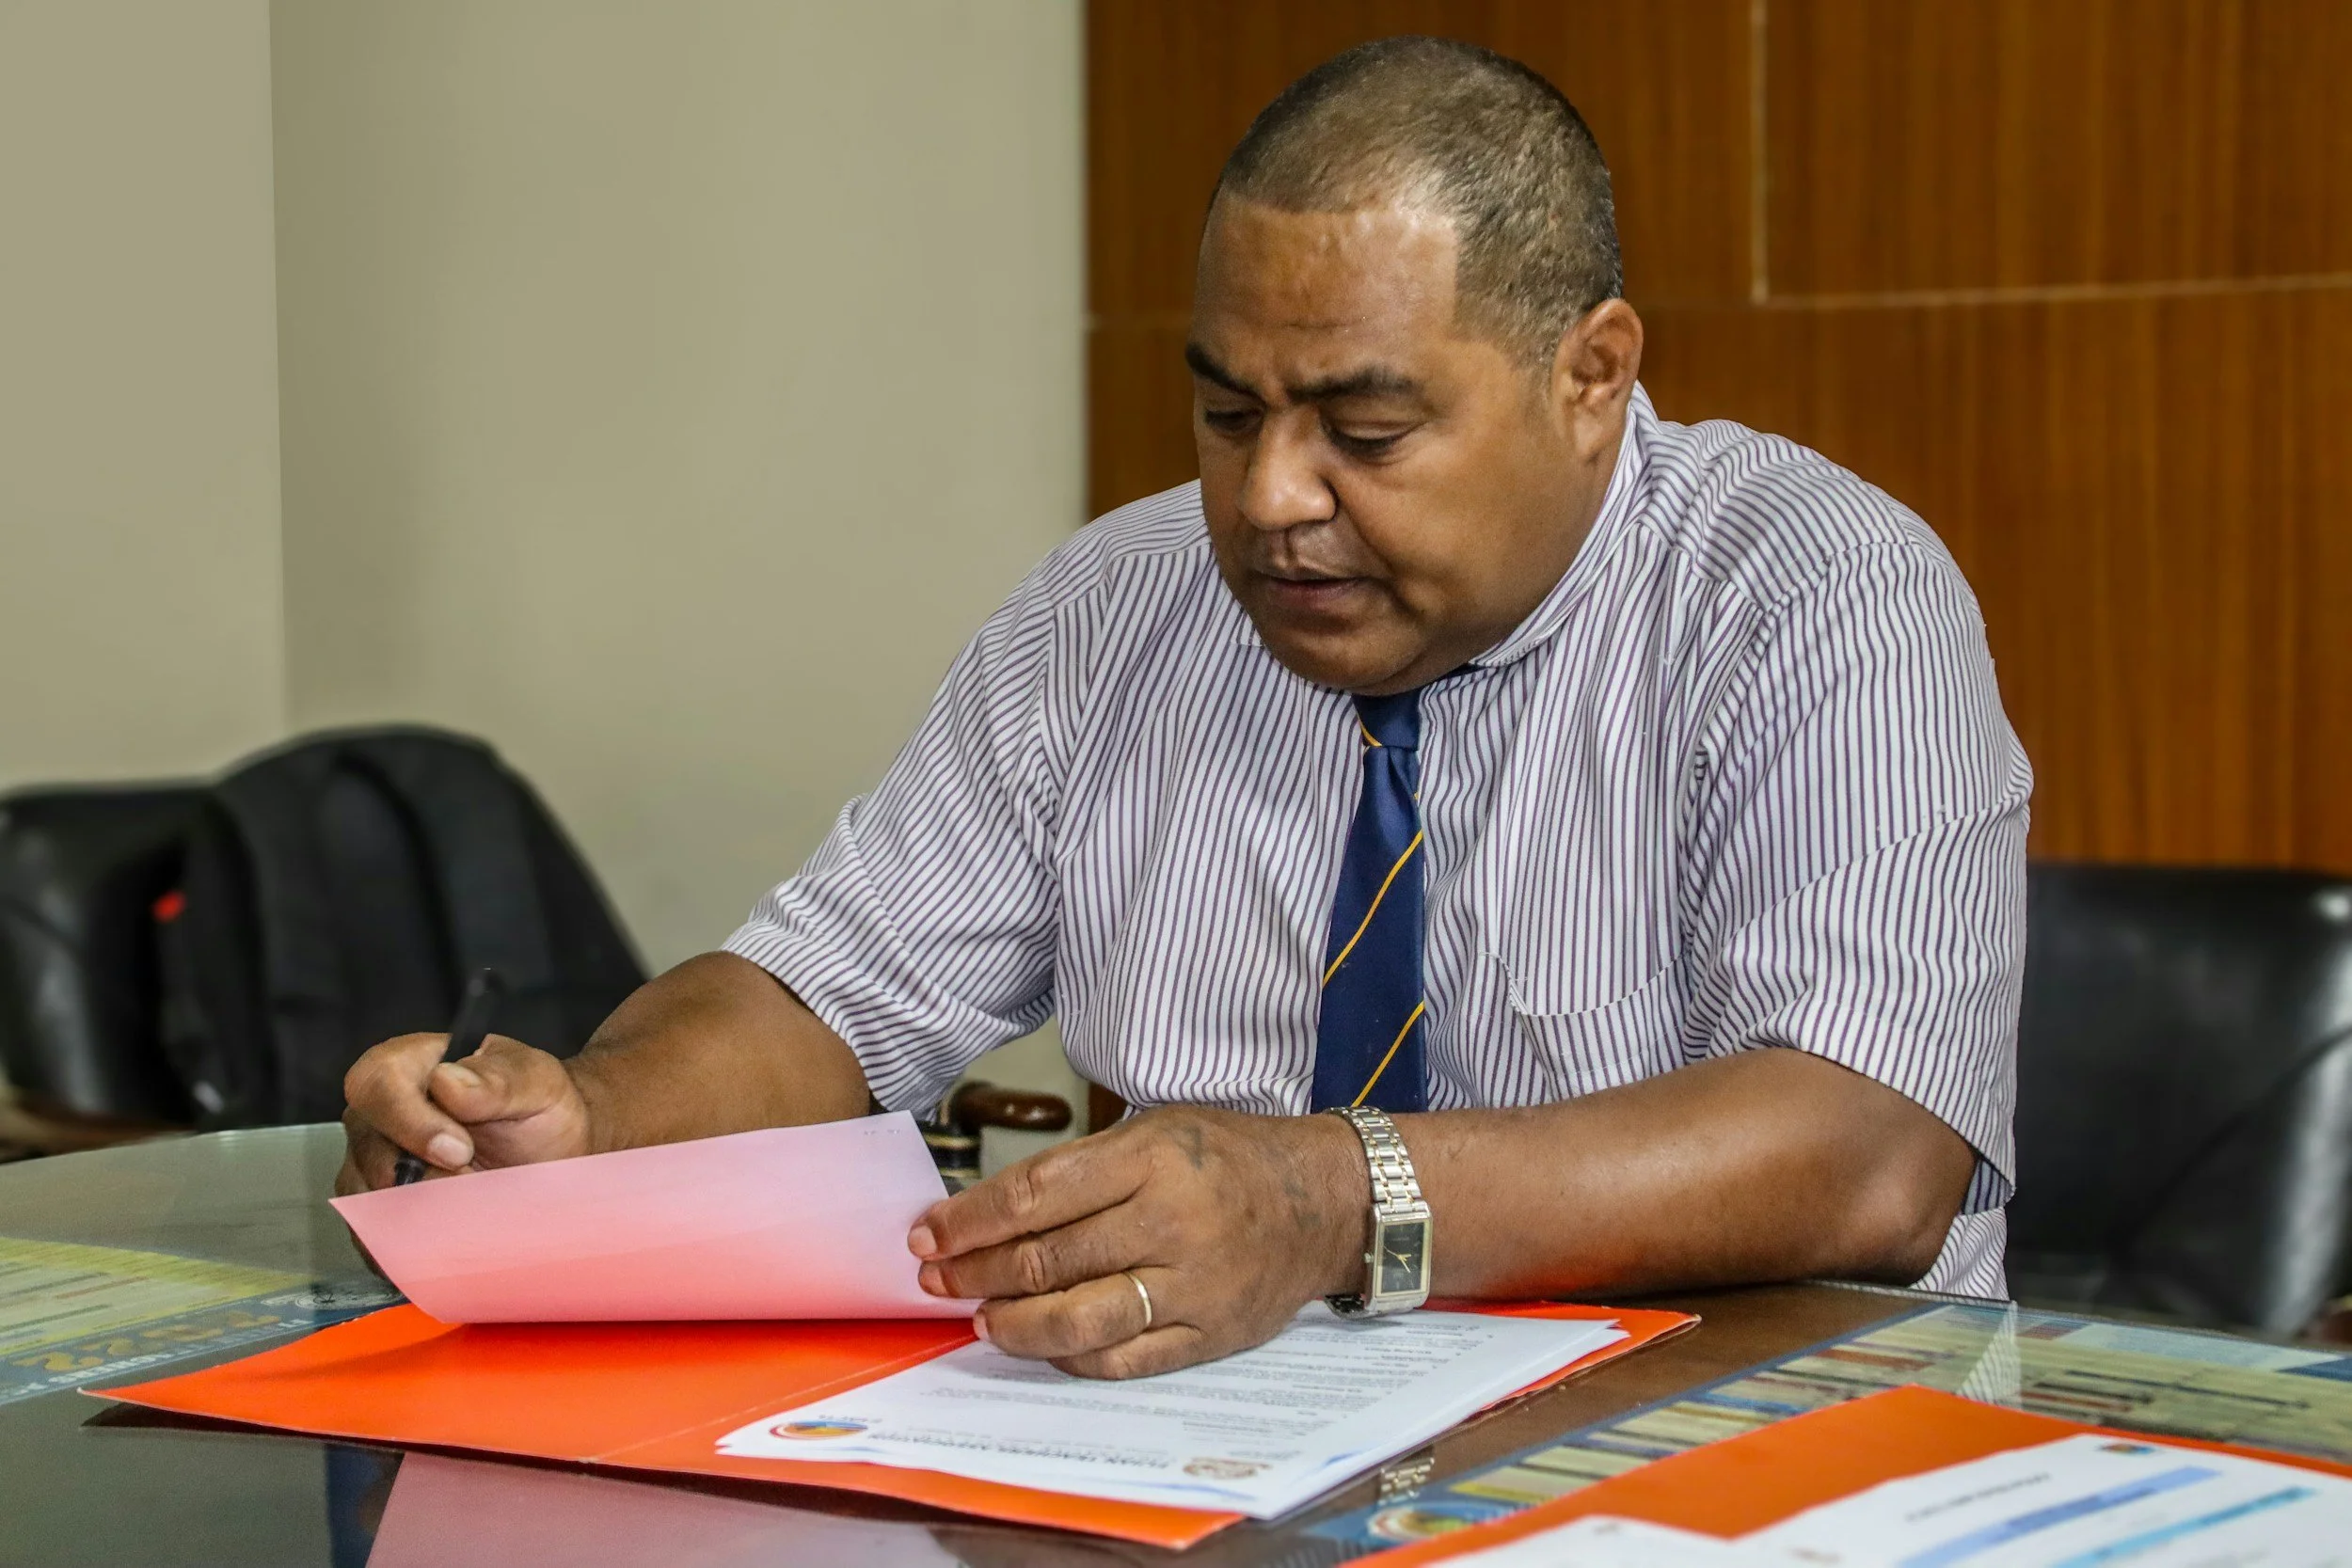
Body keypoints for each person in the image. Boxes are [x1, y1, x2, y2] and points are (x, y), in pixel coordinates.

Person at [339, 37, 2028, 1379]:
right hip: (1226, 1460)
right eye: (1229, 414)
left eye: (1365, 433)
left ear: (1590, 377)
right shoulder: (1119, 604)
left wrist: (1322, 1197)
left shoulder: (1814, 593)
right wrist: (593, 1121)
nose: (1274, 497)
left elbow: (1870, 1153)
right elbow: (819, 995)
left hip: (1732, 1460)